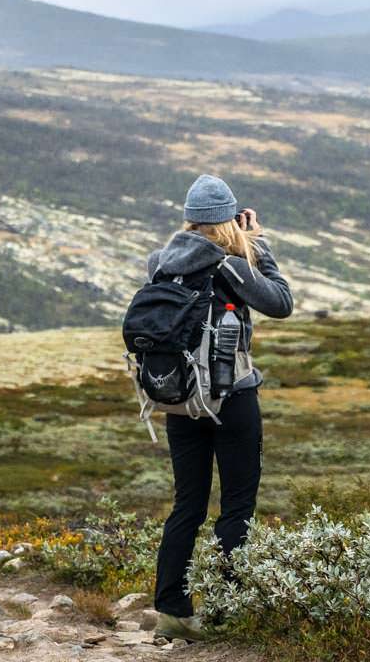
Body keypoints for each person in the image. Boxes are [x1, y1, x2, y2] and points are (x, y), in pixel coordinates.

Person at [146, 173, 294, 641]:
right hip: (233, 398)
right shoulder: (232, 264)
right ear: (229, 218)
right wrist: (258, 244)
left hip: (180, 401)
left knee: (186, 504)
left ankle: (172, 612)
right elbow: (282, 302)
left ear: (189, 218)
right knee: (237, 507)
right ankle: (229, 610)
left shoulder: (160, 263)